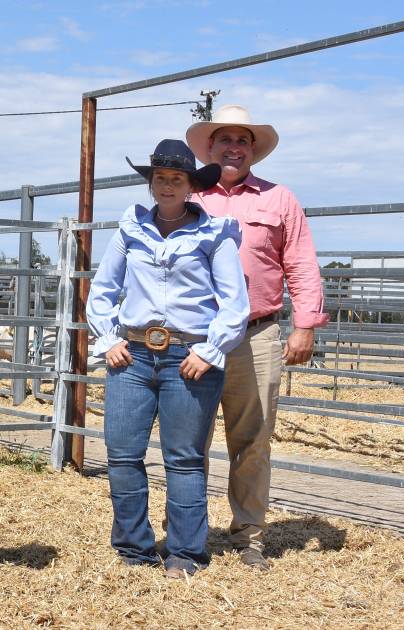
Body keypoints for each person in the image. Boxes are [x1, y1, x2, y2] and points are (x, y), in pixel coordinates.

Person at [88, 139, 250, 578]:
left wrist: (210, 349)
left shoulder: (215, 235)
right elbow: (102, 291)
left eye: (176, 179)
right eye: (160, 178)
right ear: (151, 183)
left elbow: (235, 304)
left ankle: (185, 553)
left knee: (183, 458)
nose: (167, 186)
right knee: (122, 453)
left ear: (191, 186)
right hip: (133, 355)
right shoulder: (131, 231)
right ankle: (134, 548)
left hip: (188, 357)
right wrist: (108, 339)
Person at [186, 105, 329, 570]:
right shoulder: (189, 197)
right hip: (196, 335)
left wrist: (304, 323)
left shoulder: (279, 199)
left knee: (253, 439)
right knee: (189, 438)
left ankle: (249, 535)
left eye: (242, 140)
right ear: (209, 147)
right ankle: (190, 535)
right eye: (224, 139)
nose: (233, 147)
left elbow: (301, 263)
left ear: (254, 151)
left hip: (257, 332)